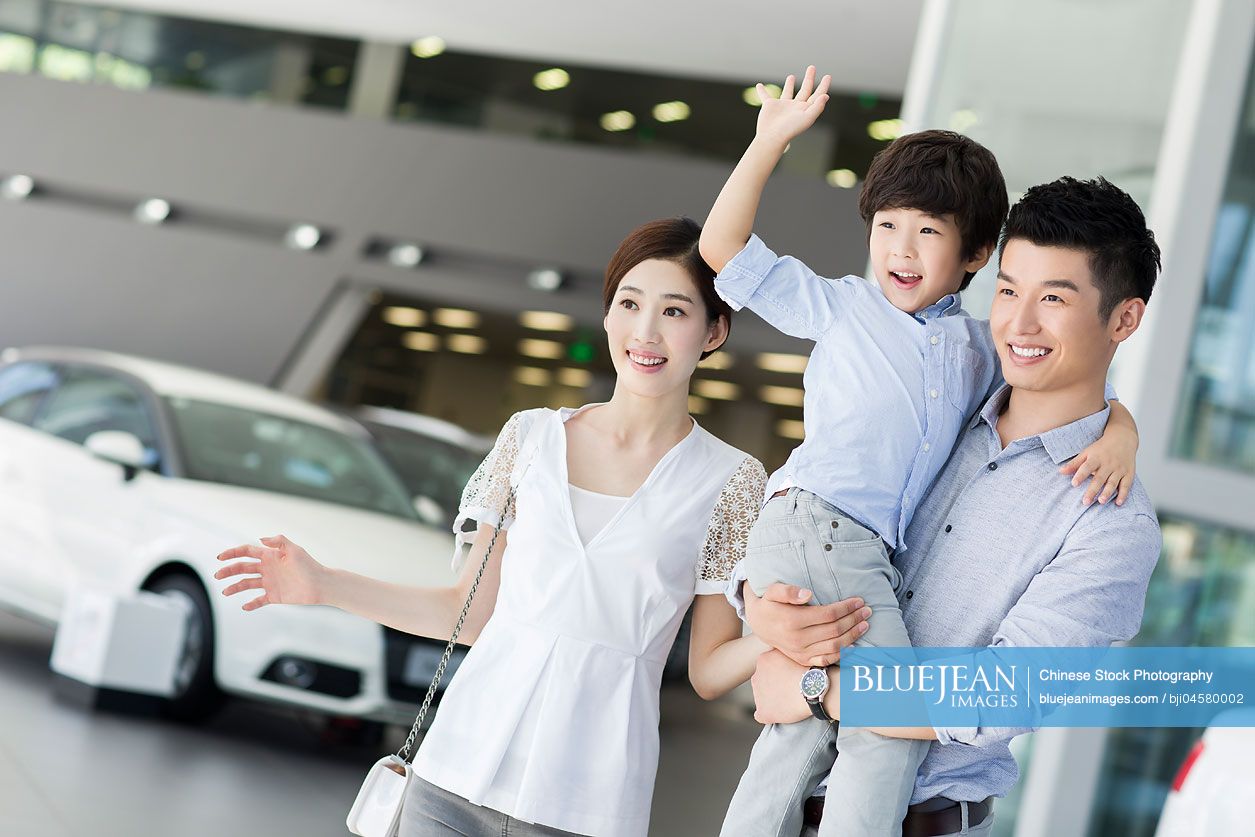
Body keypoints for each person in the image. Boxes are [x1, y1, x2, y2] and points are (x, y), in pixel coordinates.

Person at [214, 217, 865, 837]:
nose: (645, 331)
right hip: (451, 773)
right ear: (608, 313)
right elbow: (466, 612)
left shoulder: (730, 478)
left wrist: (772, 635)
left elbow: (705, 670)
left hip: (588, 801)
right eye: (629, 303)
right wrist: (323, 583)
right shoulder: (530, 437)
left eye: (674, 310)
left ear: (714, 329)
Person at [698, 67, 1141, 837]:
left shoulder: (1104, 517)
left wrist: (814, 686)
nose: (1019, 322)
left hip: (916, 820)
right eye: (1010, 290)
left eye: (1054, 299)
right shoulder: (945, 384)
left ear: (1122, 320)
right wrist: (763, 607)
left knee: (862, 741)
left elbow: (1001, 694)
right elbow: (816, 517)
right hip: (796, 798)